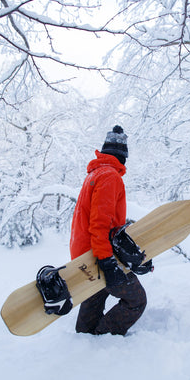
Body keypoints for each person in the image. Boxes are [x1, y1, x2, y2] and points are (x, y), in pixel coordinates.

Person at [69, 125, 152, 336]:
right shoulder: (110, 177)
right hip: (99, 255)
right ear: (122, 155)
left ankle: (85, 340)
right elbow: (100, 224)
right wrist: (107, 263)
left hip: (85, 256)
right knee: (136, 300)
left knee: (94, 299)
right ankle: (103, 339)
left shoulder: (94, 174)